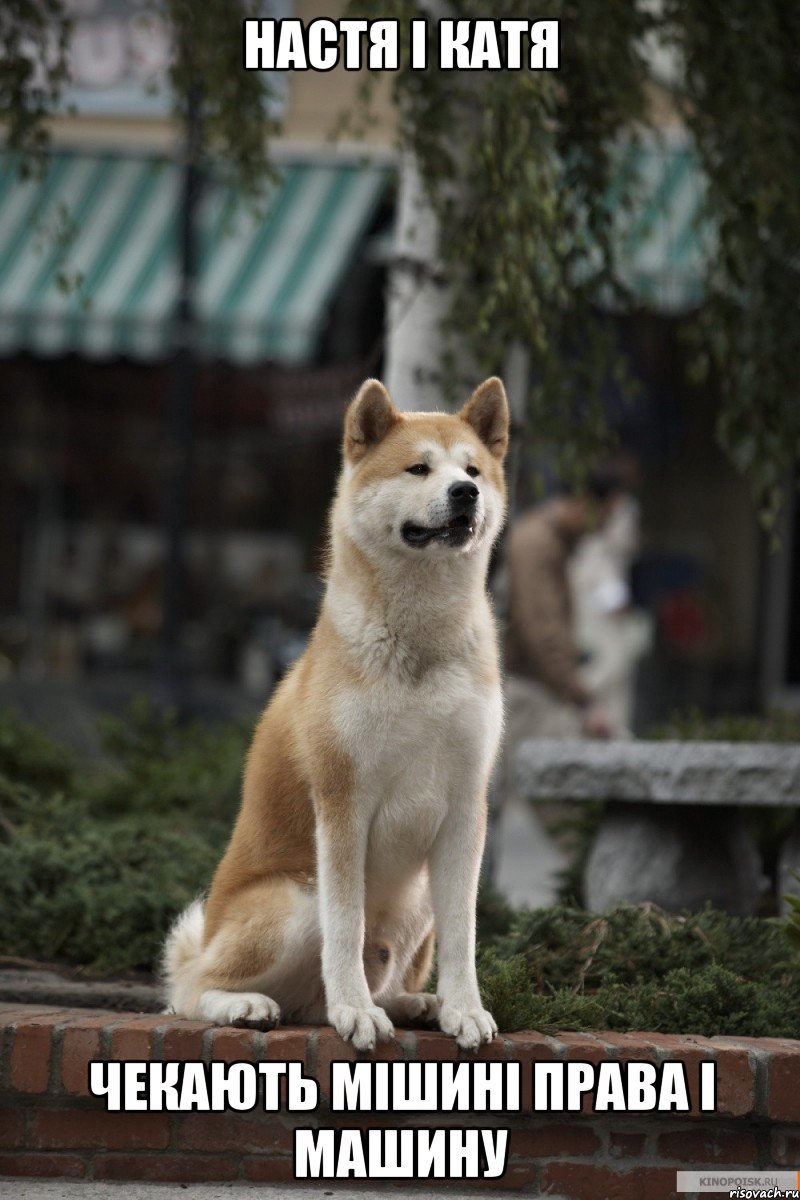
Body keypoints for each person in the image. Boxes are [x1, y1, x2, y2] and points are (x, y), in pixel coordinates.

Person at [504, 470, 627, 743]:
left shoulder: (551, 541)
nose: (605, 527)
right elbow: (542, 630)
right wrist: (583, 701)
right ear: (586, 502)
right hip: (527, 691)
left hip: (537, 687)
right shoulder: (538, 544)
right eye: (606, 515)